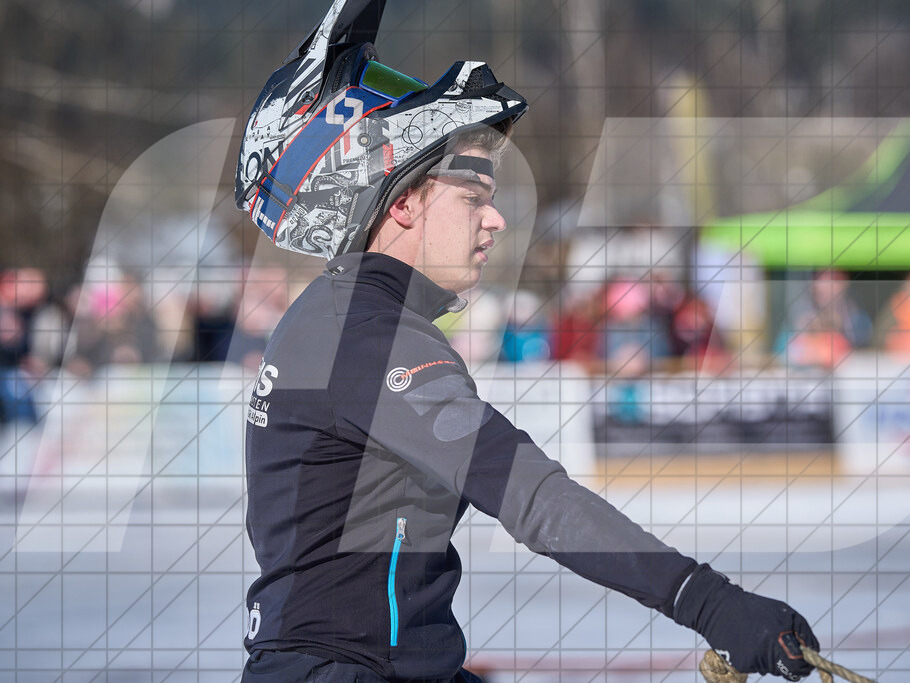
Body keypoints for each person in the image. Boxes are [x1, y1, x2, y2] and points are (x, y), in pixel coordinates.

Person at [236, 1, 820, 681]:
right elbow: (530, 497)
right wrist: (711, 602)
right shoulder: (365, 336)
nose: (496, 219)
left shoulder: (338, 318)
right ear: (400, 204)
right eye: (472, 194)